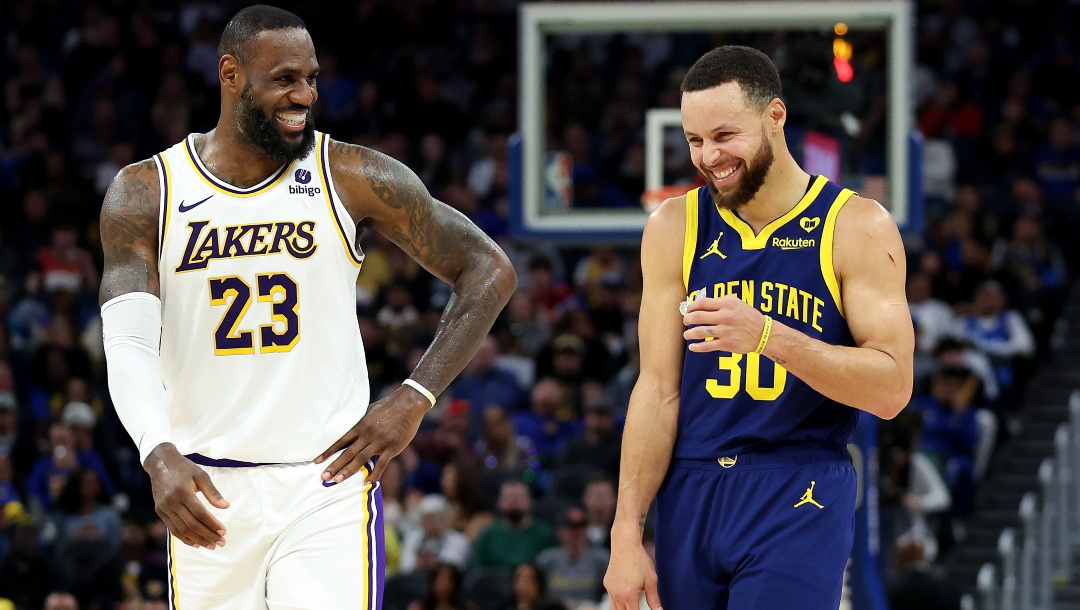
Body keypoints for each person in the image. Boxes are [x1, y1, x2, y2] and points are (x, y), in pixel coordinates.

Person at [97, 6, 516, 610]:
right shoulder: (147, 191)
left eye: (312, 78)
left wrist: (414, 398)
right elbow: (130, 342)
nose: (305, 96)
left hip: (326, 483)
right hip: (208, 486)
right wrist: (155, 451)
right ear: (231, 73)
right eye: (285, 79)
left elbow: (490, 269)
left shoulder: (349, 174)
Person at [603, 46, 913, 610]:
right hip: (691, 488)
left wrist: (769, 337)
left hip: (798, 484)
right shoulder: (674, 226)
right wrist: (626, 531)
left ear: (776, 116)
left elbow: (892, 387)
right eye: (695, 141)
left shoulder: (856, 225)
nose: (709, 157)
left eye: (724, 136)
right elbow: (656, 389)